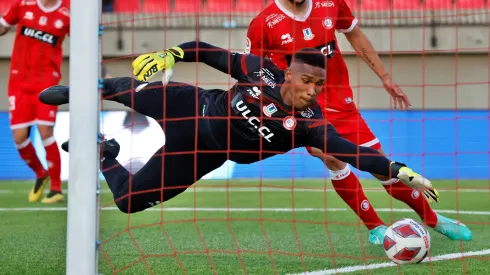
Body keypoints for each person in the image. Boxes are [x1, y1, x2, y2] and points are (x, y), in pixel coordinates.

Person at [40, 41, 438, 220]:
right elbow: (206, 51)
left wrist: (398, 169)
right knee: (119, 89)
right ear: (289, 74)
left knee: (127, 203)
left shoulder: (310, 125)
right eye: (307, 82)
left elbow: (354, 152)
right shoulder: (258, 70)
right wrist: (171, 54)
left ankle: (104, 153)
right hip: (192, 105)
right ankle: (77, 89)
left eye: (319, 85)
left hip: (202, 154)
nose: (313, 90)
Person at [246, 0, 472, 242]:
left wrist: (385, 77)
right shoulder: (262, 24)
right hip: (304, 109)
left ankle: (432, 219)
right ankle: (375, 226)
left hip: (341, 104)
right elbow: (253, 72)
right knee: (333, 160)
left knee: (381, 166)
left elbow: (355, 35)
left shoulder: (330, 4)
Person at [0, 0, 70, 203]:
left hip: (47, 82)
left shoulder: (69, 11)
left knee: (45, 130)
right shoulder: (22, 4)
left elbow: (84, 42)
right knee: (20, 138)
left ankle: (56, 188)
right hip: (19, 83)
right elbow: (3, 27)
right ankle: (41, 173)